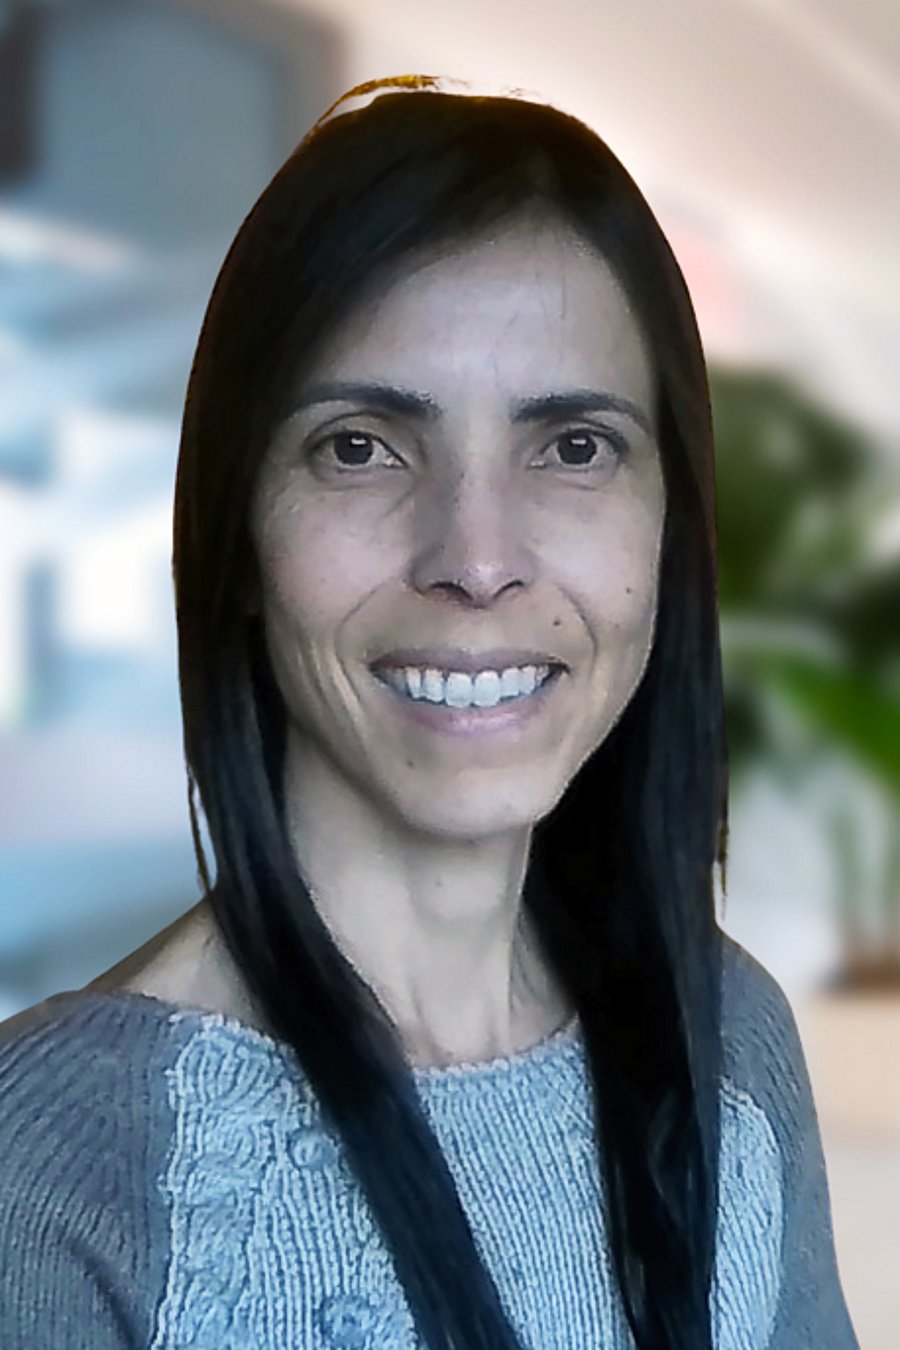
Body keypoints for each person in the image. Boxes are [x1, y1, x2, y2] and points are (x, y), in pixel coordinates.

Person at [0, 75, 858, 1350]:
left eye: (574, 446)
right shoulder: (53, 1159)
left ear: (669, 527)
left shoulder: (725, 1040)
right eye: (360, 445)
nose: (476, 558)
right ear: (237, 525)